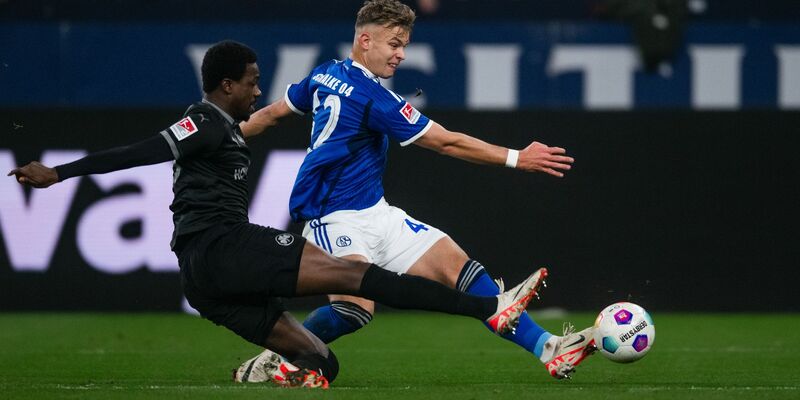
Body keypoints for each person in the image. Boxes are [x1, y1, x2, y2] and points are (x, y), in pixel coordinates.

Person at [8, 40, 549, 388]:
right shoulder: (204, 122)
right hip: (224, 246)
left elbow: (262, 119)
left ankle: (274, 366)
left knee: (323, 364)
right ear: (227, 86)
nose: (258, 88)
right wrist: (61, 172)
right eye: (250, 81)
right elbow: (144, 150)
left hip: (203, 284)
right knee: (359, 278)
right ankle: (488, 308)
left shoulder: (227, 131)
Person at [240, 0, 595, 379]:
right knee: (355, 310)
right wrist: (516, 157)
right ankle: (277, 355)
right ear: (365, 40)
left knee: (457, 266)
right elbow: (446, 142)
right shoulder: (375, 98)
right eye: (394, 44)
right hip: (332, 218)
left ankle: (549, 348)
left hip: (376, 212)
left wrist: (223, 135)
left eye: (404, 46)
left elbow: (271, 114)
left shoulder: (325, 73)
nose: (401, 55)